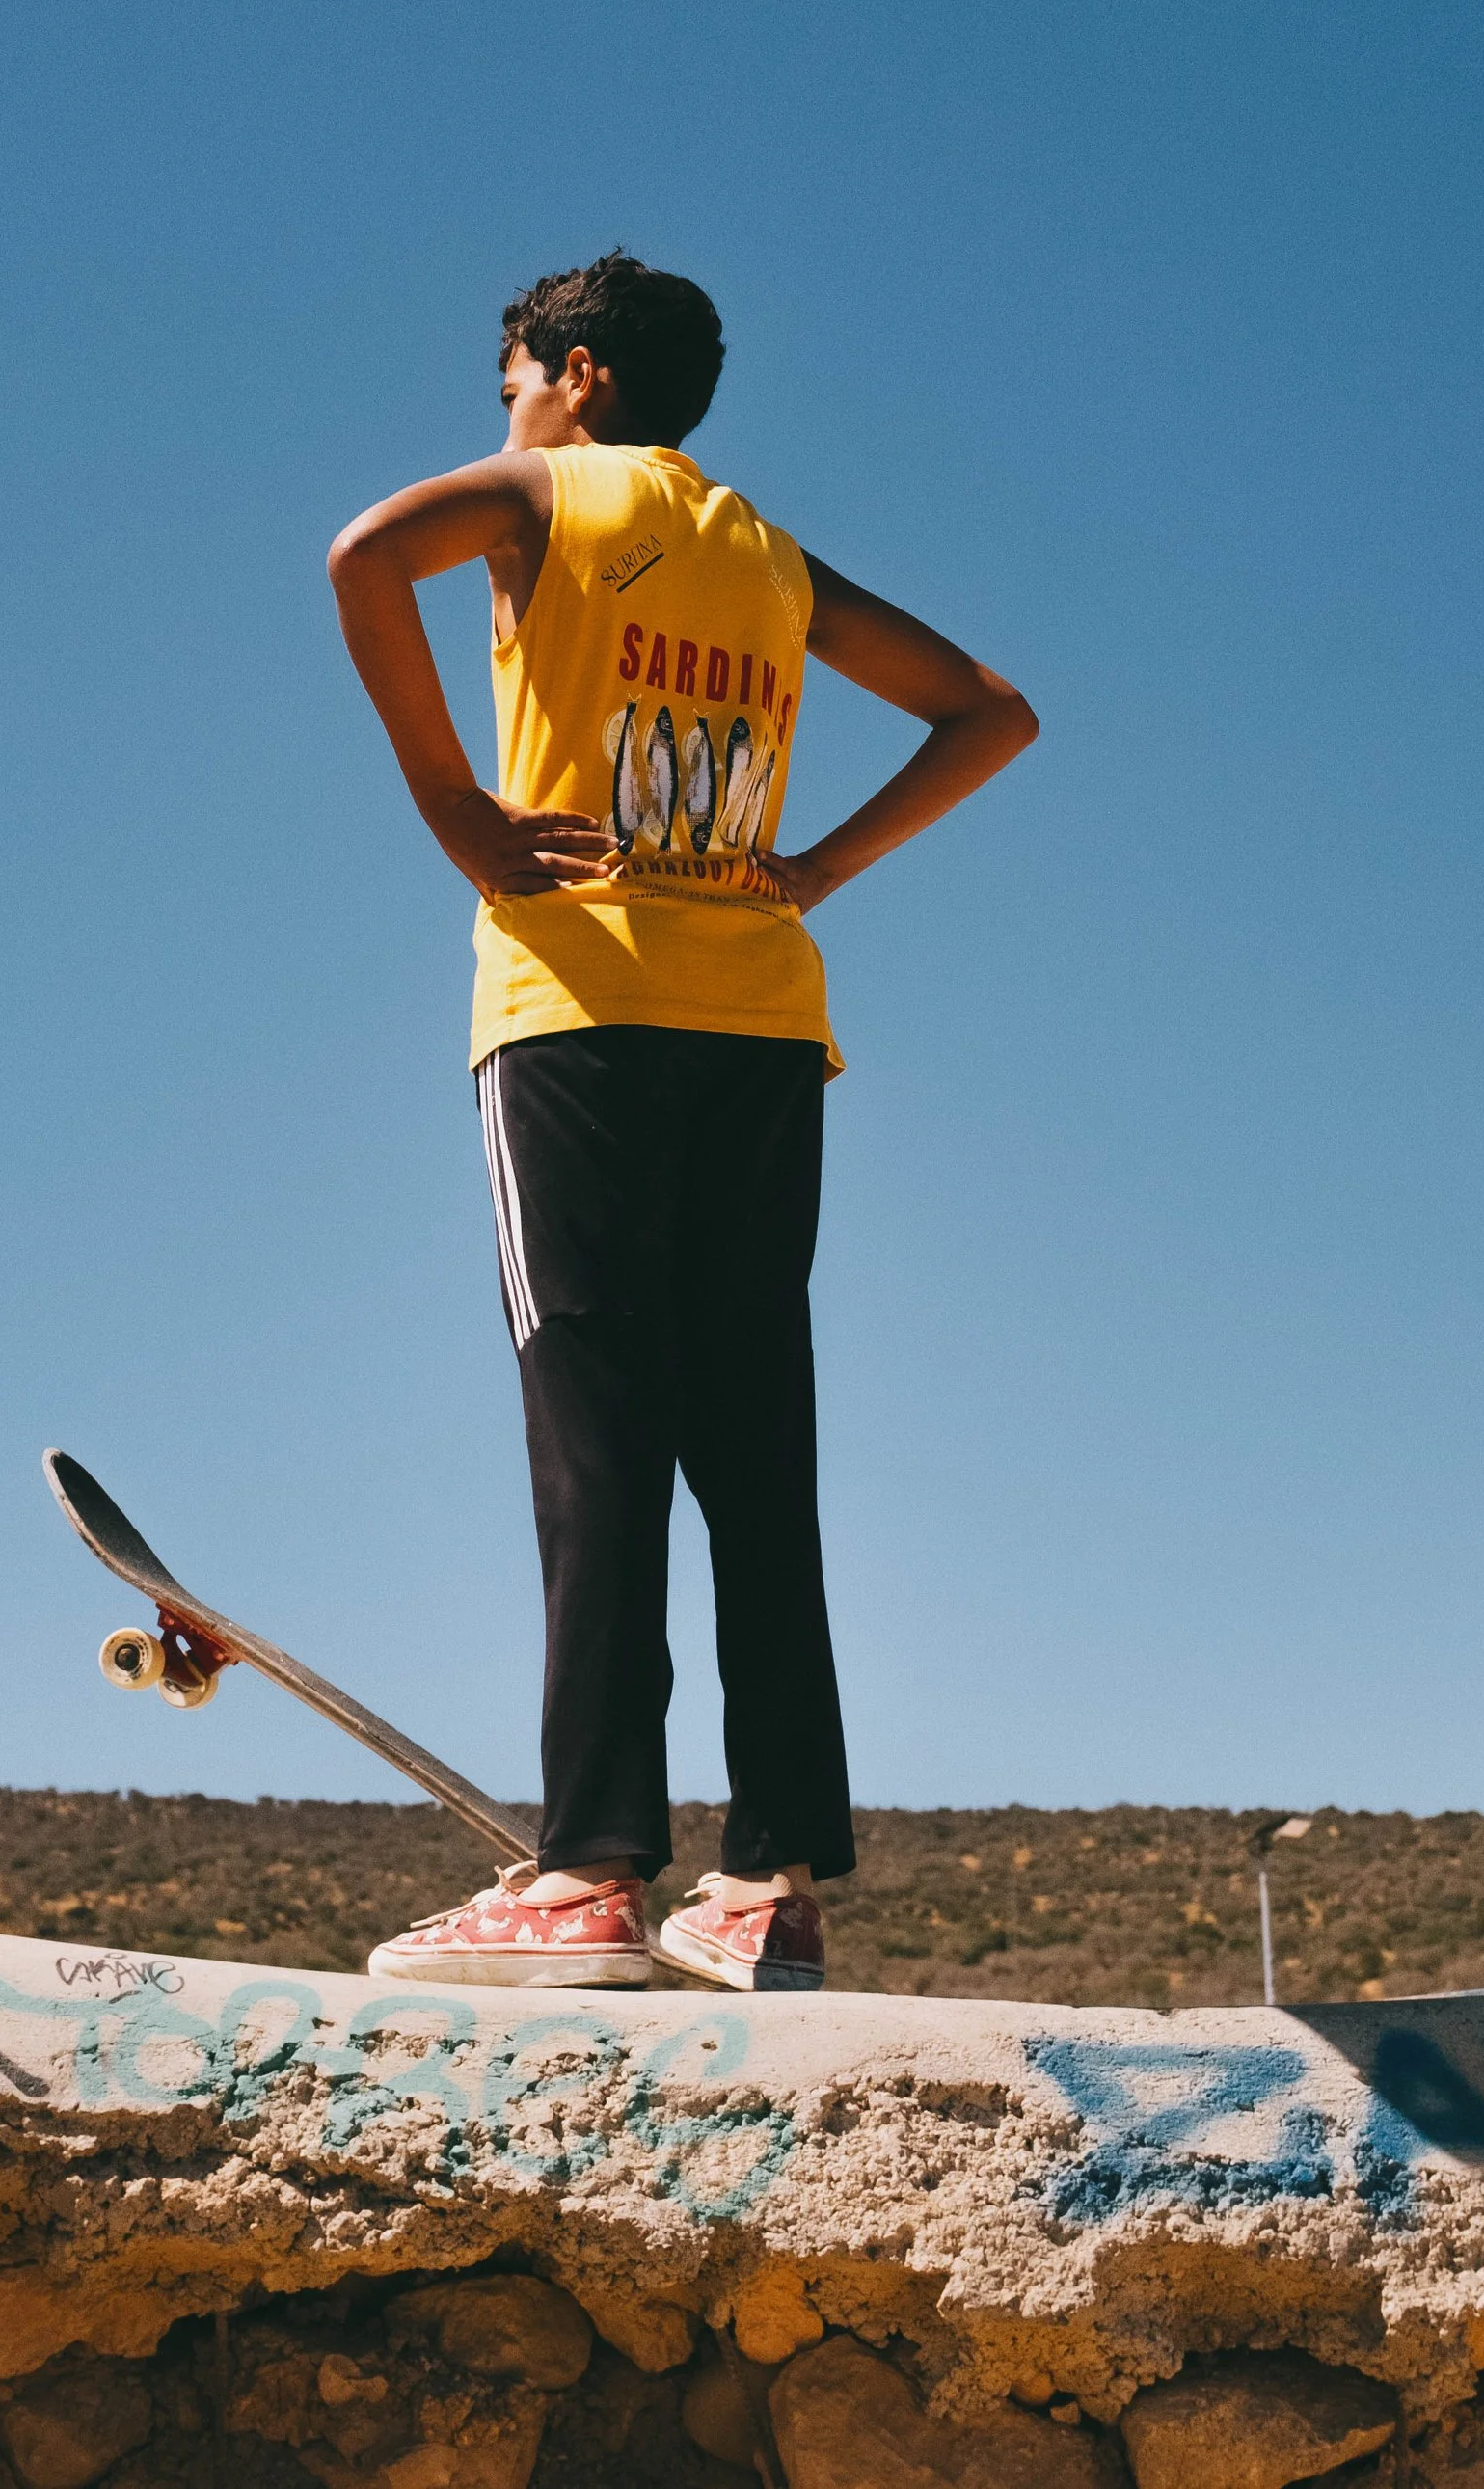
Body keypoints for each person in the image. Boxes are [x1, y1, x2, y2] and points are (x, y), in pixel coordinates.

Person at [327, 253, 1037, 1990]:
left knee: (597, 1435)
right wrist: (815, 871)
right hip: (760, 1023)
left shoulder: (544, 495)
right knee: (755, 1445)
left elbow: (362, 557)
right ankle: (770, 1879)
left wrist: (459, 812)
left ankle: (583, 1875)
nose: (502, 406)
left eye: (507, 379)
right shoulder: (766, 557)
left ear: (569, 373)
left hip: (577, 1008)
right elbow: (989, 713)